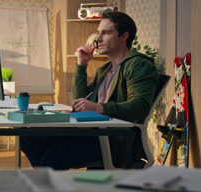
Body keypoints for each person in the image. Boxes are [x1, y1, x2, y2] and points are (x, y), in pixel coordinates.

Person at [20, 11, 159, 169]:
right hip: (93, 132)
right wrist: (81, 65)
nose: (98, 39)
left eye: (106, 33)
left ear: (123, 36)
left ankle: (46, 179)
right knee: (28, 136)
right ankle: (46, 180)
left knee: (52, 155)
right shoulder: (105, 69)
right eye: (98, 33)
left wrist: (98, 108)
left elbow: (139, 107)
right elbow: (80, 103)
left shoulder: (138, 65)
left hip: (114, 139)